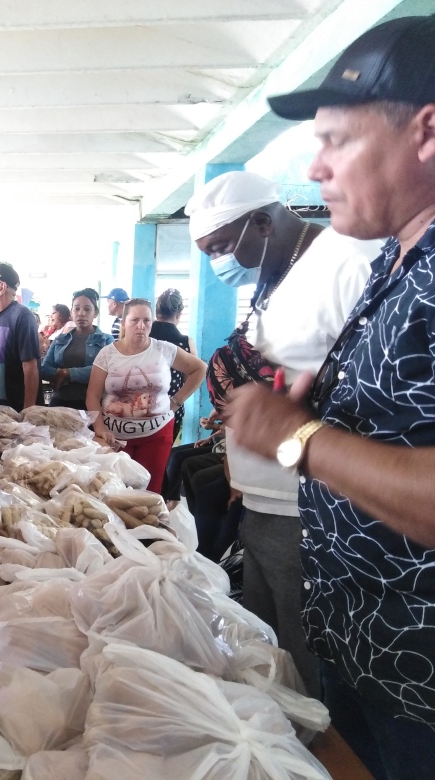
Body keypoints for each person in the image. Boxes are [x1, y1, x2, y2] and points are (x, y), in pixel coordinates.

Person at [228, 17, 435, 779]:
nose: (314, 168)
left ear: (426, 131)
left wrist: (297, 437)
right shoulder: (395, 262)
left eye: (336, 140)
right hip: (373, 661)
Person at [186, 170, 379, 700]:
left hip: (312, 507)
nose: (219, 263)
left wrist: (280, 416)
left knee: (309, 655)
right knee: (272, 644)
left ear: (263, 224)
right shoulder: (276, 277)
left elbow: (358, 393)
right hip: (264, 497)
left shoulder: (346, 261)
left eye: (222, 247)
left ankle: (322, 751)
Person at [87, 298, 206, 494]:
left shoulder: (164, 349)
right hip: (115, 436)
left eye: (146, 321)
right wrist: (99, 428)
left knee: (149, 493)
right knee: (113, 491)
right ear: (124, 322)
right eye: (134, 320)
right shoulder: (107, 354)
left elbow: (199, 369)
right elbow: (92, 395)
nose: (141, 326)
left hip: (156, 436)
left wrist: (176, 401)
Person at [0, 261, 40, 410]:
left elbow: (30, 367)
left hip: (12, 409)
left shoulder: (22, 316)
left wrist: (28, 410)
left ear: (2, 287)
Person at [41, 289, 113, 410]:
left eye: (87, 309)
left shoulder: (106, 340)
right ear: (71, 312)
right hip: (59, 404)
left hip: (91, 406)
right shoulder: (60, 339)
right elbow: (44, 369)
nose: (81, 313)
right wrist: (69, 374)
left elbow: (105, 370)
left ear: (96, 313)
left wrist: (67, 373)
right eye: (77, 308)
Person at [150, 288, 196, 441]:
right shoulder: (185, 342)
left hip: (137, 409)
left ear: (156, 313)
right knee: (162, 458)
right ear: (178, 315)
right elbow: (189, 378)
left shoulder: (143, 338)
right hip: (170, 409)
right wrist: (175, 402)